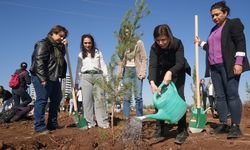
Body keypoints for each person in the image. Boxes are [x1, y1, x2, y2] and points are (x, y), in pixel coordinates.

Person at [194, 1, 250, 138]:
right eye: (212, 16)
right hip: (214, 67)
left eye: (217, 14)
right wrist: (200, 43)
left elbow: (240, 43)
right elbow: (211, 48)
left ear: (225, 13)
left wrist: (238, 63)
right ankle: (223, 123)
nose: (214, 18)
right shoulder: (213, 30)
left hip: (229, 65)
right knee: (220, 96)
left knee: (232, 94)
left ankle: (235, 126)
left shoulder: (233, 23)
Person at [148, 24, 191, 144]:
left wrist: (170, 72)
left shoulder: (177, 43)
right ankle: (160, 128)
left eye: (163, 40)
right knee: (159, 97)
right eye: (158, 40)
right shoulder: (154, 48)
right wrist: (152, 82)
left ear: (169, 37)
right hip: (161, 72)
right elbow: (153, 65)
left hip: (178, 71)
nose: (161, 43)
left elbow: (180, 62)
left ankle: (182, 129)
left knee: (179, 97)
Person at [30, 25, 68, 133]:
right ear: (53, 33)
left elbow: (59, 59)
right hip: (41, 76)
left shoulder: (57, 46)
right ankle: (39, 127)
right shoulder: (43, 44)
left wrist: (64, 47)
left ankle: (52, 124)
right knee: (42, 100)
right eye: (60, 36)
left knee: (56, 99)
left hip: (54, 77)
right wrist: (42, 78)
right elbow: (39, 61)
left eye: (63, 37)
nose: (62, 38)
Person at [75, 34, 109, 129]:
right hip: (85, 77)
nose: (87, 45)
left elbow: (103, 65)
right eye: (85, 43)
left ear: (92, 43)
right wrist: (76, 83)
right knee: (87, 101)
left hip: (98, 76)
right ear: (82, 43)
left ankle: (103, 122)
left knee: (100, 100)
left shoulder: (98, 52)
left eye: (89, 43)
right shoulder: (80, 54)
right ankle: (90, 122)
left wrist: (106, 78)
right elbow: (78, 69)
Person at [117, 26, 147, 119]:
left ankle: (139, 119)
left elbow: (144, 58)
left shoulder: (139, 43)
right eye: (124, 33)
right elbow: (121, 60)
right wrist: (119, 74)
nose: (126, 34)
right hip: (126, 71)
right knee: (126, 97)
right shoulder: (121, 45)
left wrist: (143, 72)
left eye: (127, 32)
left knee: (138, 96)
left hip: (137, 71)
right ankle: (126, 119)